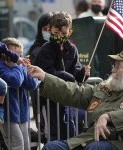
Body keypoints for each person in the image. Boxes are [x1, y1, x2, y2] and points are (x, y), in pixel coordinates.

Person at [27, 49, 123, 150]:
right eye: (114, 65)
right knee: (52, 147)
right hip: (89, 139)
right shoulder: (104, 87)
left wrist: (108, 116)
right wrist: (44, 77)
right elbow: (74, 92)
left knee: (95, 148)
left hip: (117, 142)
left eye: (118, 66)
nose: (113, 69)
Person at [34, 11, 91, 140]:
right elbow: (46, 72)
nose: (59, 36)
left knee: (70, 129)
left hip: (67, 97)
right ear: (50, 30)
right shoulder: (46, 49)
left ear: (69, 32)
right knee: (53, 133)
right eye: (55, 33)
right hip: (50, 98)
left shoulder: (72, 49)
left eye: (63, 34)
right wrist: (67, 76)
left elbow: (76, 72)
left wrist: (83, 73)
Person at [0, 37, 38, 150]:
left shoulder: (18, 68)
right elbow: (15, 81)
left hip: (23, 113)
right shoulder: (0, 68)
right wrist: (18, 66)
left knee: (26, 144)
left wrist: (26, 68)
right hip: (8, 115)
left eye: (20, 55)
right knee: (17, 144)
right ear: (5, 54)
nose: (19, 58)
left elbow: (32, 84)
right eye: (16, 55)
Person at [28, 12, 53, 143]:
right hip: (43, 100)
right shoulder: (37, 49)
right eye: (45, 29)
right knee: (48, 135)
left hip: (59, 100)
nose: (48, 32)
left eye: (51, 28)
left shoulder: (63, 48)